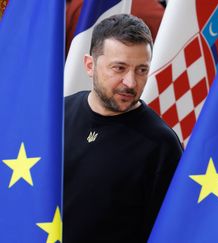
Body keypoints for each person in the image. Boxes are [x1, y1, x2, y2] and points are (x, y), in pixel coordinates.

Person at [63, 14, 183, 242]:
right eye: (119, 68)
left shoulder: (161, 144)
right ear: (90, 65)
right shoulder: (57, 116)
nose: (130, 82)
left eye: (141, 70)